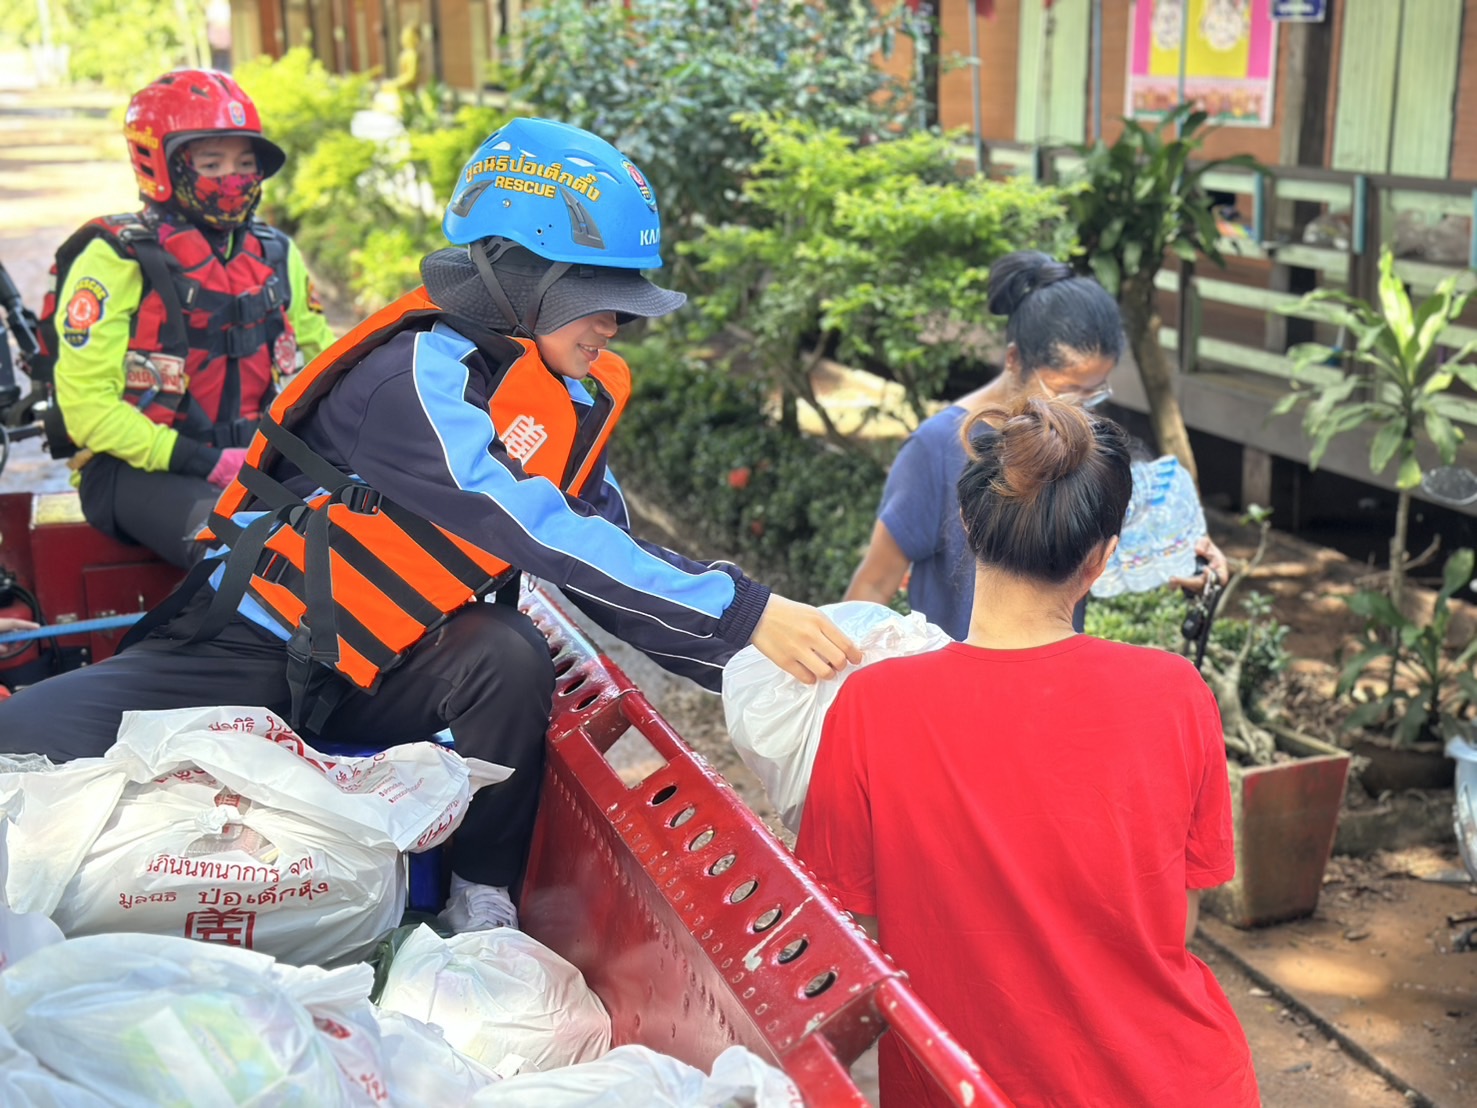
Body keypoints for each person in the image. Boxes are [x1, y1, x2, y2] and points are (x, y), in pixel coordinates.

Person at [0, 117, 859, 933]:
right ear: (516, 278)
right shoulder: (413, 376)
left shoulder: (563, 397)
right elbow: (525, 519)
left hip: (382, 668)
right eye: (597, 299)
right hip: (249, 648)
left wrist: (764, 666)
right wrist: (744, 608)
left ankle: (479, 901)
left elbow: (612, 555)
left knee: (506, 652)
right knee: (19, 737)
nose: (615, 324)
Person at [796, 397, 1258, 1108]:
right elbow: (1178, 922)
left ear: (966, 523)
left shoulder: (869, 707)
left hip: (962, 1086)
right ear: (1101, 559)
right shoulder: (1175, 693)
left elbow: (856, 935)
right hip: (1177, 1082)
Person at [844, 251, 1226, 639]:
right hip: (955, 672)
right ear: (1014, 359)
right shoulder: (936, 448)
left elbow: (1108, 549)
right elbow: (874, 583)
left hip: (1054, 670)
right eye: (1067, 389)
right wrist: (839, 666)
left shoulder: (1081, 443)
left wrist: (1184, 558)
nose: (1078, 407)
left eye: (1094, 391)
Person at [48, 68, 334, 569]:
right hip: (131, 469)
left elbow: (327, 362)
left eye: (246, 164)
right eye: (212, 163)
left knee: (367, 529)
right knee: (248, 557)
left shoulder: (275, 253)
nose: (234, 179)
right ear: (163, 165)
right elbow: (87, 408)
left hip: (255, 458)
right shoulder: (114, 258)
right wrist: (208, 461)